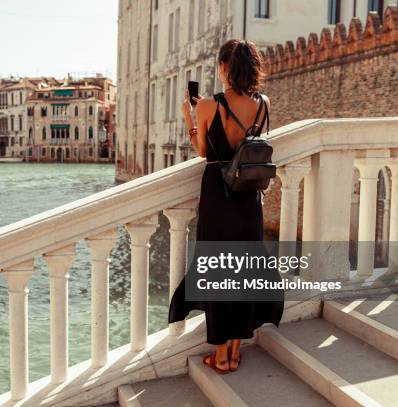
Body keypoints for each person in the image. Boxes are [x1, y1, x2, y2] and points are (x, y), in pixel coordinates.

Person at [168, 39, 284, 373]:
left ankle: (219, 356)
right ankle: (234, 352)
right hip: (249, 197)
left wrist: (188, 117)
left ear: (223, 68)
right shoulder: (263, 103)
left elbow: (204, 151)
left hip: (219, 197)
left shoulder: (207, 106)